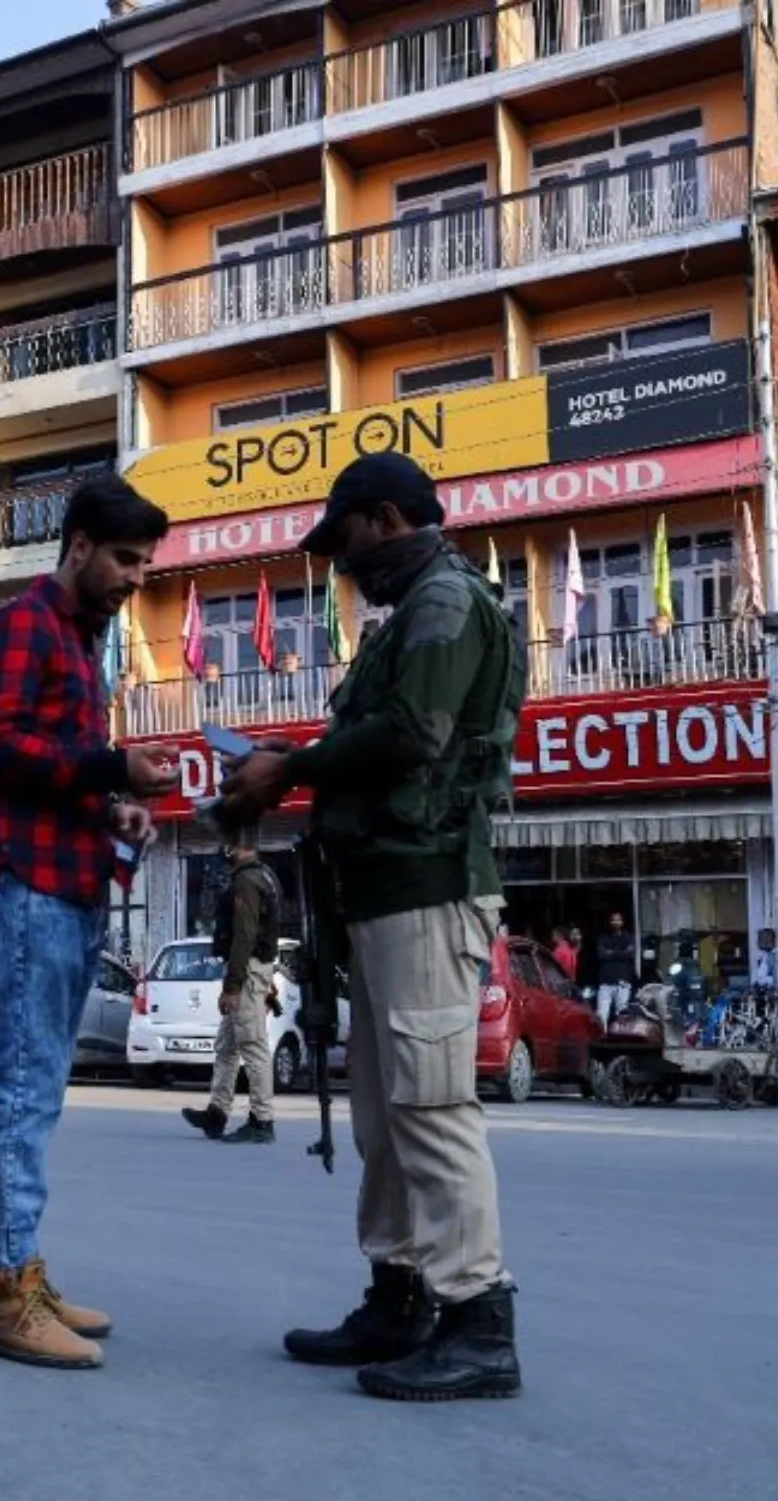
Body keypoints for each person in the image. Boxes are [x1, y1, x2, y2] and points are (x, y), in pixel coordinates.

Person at [221, 451, 525, 1404]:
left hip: (428, 886)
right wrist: (291, 765)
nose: (341, 565)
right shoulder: (416, 611)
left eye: (345, 542)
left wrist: (290, 767)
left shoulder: (443, 602)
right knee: (387, 1118)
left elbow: (413, 737)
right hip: (386, 891)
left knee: (431, 1109)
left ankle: (478, 1323)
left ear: (386, 519)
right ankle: (400, 1297)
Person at [0, 476, 180, 1372]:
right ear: (78, 546)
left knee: (37, 1092)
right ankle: (3, 1297)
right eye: (125, 559)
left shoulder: (83, 643)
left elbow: (62, 771)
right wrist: (112, 765)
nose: (134, 578)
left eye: (144, 566)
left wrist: (112, 802)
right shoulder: (20, 628)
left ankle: (23, 1274)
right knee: (19, 1090)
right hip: (21, 888)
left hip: (65, 884)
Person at [181, 821, 281, 1146]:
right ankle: (217, 1112)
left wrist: (234, 986)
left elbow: (245, 937)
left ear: (238, 845)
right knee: (227, 1046)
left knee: (252, 1046)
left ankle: (262, 1120)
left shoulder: (248, 882)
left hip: (247, 972)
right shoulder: (261, 876)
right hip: (252, 971)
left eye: (227, 843)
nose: (222, 850)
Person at [594, 910, 638, 1026]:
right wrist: (621, 952)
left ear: (622, 922)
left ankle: (621, 1037)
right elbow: (601, 954)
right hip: (606, 981)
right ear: (609, 922)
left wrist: (611, 953)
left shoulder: (629, 937)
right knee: (602, 1013)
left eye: (618, 920)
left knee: (622, 1013)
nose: (615, 922)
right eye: (613, 920)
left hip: (623, 980)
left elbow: (630, 954)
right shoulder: (603, 937)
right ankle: (601, 1037)